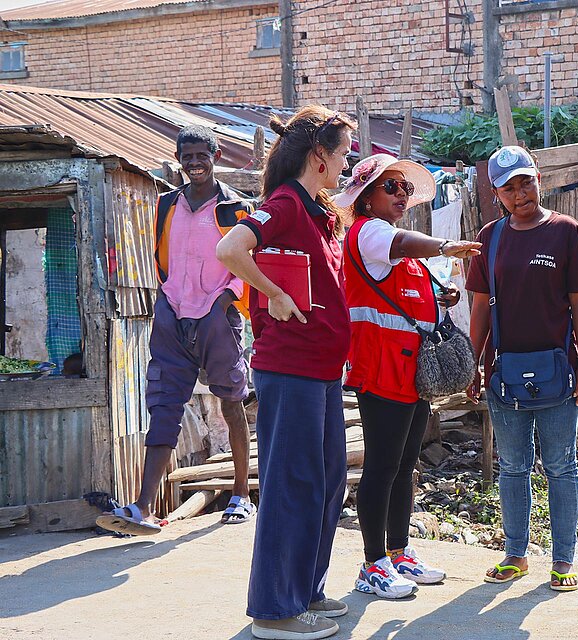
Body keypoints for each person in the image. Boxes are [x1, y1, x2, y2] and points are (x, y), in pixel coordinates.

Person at [216, 106, 356, 640]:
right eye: (342, 152)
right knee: (290, 486)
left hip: (320, 369)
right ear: (319, 155)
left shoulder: (317, 211)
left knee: (325, 483)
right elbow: (231, 249)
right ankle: (274, 611)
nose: (347, 162)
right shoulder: (284, 205)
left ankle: (306, 591)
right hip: (291, 368)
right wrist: (271, 293)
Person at [333, 154, 481, 599]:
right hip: (380, 368)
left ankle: (398, 552)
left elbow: (413, 296)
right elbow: (401, 245)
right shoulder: (370, 233)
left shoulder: (396, 245)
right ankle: (372, 563)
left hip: (410, 372)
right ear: (366, 197)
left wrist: (444, 296)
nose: (402, 195)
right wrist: (445, 247)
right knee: (381, 466)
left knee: (403, 464)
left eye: (405, 189)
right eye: (391, 188)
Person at [96, 125, 254, 537]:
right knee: (164, 404)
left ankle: (241, 494)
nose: (195, 163)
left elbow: (250, 260)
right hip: (172, 315)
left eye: (203, 155)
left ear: (216, 157)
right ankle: (143, 507)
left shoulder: (235, 208)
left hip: (217, 315)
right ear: (179, 159)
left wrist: (225, 301)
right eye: (188, 156)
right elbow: (161, 258)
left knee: (230, 400)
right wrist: (166, 302)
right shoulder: (166, 203)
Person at [466, 146, 578, 593]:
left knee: (561, 466)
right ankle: (515, 555)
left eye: (525, 181)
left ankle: (563, 560)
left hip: (557, 370)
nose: (520, 193)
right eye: (509, 187)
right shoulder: (490, 238)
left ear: (538, 178)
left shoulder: (567, 232)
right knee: (513, 467)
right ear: (496, 192)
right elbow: (481, 306)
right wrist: (473, 361)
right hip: (504, 371)